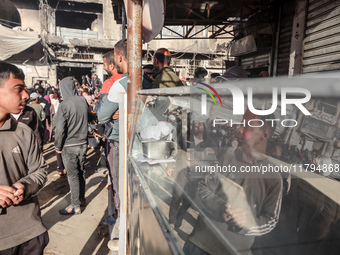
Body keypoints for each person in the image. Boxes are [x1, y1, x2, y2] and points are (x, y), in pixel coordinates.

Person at [183, 110, 282, 255]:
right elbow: (201, 189)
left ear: (264, 134)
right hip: (200, 245)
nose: (239, 130)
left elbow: (271, 220)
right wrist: (220, 206)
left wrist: (246, 222)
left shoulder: (273, 178)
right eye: (241, 124)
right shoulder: (227, 156)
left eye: (247, 126)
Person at [0, 61, 49, 254]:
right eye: (18, 89)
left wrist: (26, 186)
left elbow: (40, 170)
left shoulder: (23, 132)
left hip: (29, 233)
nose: (26, 95)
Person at [97, 39, 128, 238]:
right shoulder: (148, 79)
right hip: (140, 141)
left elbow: (102, 116)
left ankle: (120, 221)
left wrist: (117, 109)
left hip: (119, 140)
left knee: (119, 183)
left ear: (118, 57)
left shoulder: (118, 83)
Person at [54, 77, 89, 215]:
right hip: (83, 143)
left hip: (70, 145)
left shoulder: (64, 104)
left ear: (63, 88)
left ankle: (75, 206)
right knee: (81, 172)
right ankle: (81, 199)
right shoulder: (82, 100)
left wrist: (58, 145)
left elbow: (60, 129)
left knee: (73, 175)